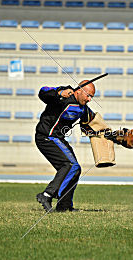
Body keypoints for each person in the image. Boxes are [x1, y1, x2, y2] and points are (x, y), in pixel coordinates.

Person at [35, 80, 96, 212]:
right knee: (69, 165)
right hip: (46, 137)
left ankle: (64, 206)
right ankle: (46, 195)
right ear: (79, 91)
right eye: (88, 95)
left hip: (58, 139)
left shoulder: (83, 108)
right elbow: (42, 92)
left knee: (75, 169)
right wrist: (59, 92)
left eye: (92, 97)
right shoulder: (64, 96)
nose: (90, 99)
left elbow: (92, 123)